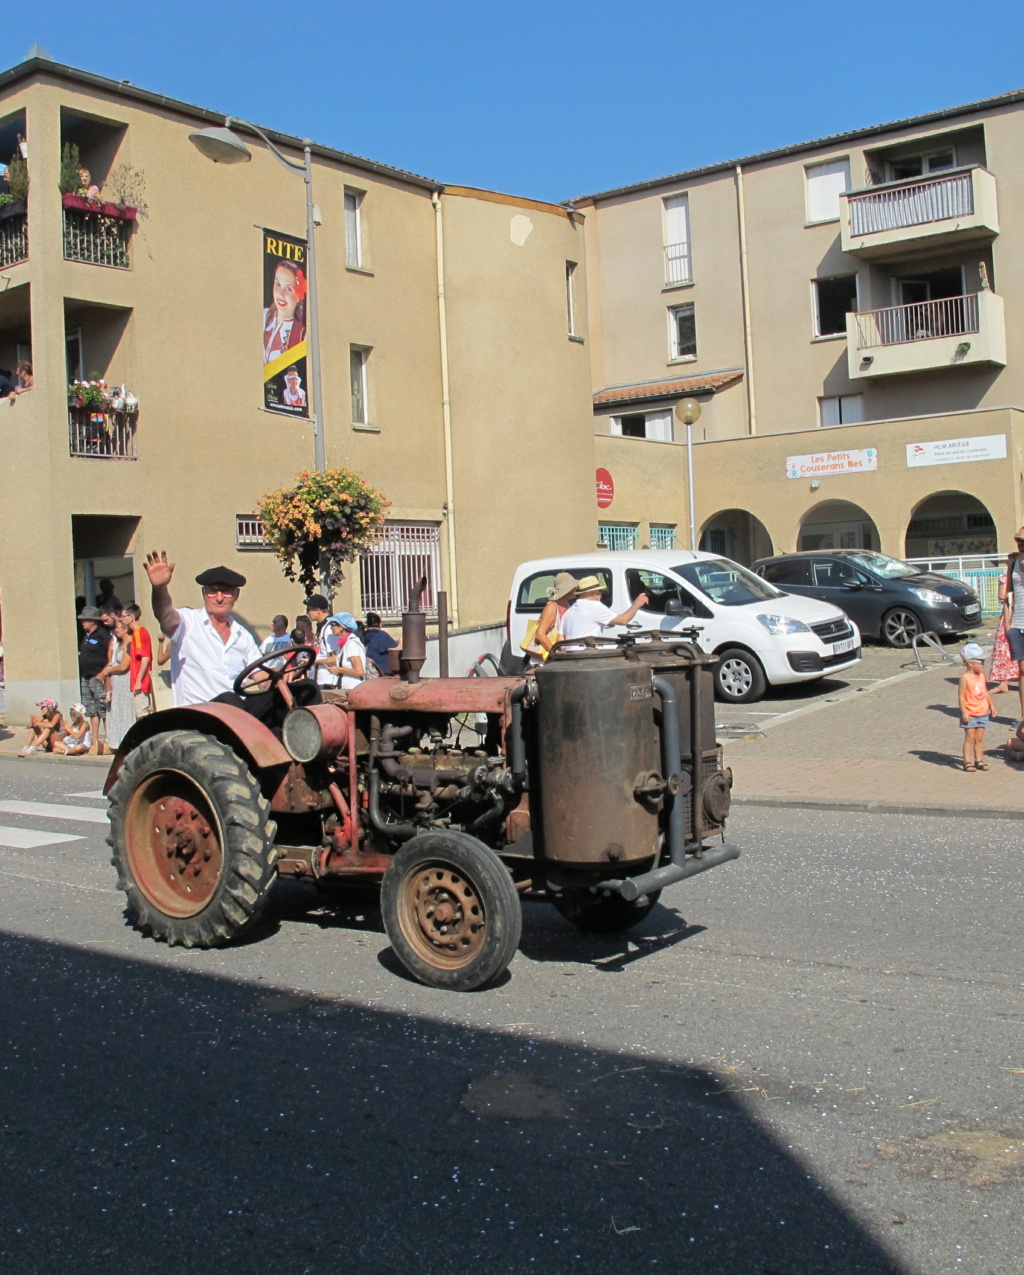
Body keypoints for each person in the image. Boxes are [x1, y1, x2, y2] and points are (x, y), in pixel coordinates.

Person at [144, 552, 262, 707]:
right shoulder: (188, 623)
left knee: (295, 692)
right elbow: (164, 615)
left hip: (237, 715)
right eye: (213, 591)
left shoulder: (243, 635)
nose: (219, 598)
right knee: (229, 699)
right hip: (200, 716)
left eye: (226, 591)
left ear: (236, 595)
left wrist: (282, 679)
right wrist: (160, 588)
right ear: (204, 593)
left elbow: (261, 675)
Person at [561, 575, 650, 644]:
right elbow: (623, 620)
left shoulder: (569, 612)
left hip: (570, 657)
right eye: (600, 592)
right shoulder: (594, 606)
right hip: (587, 656)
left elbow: (560, 638)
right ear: (594, 594)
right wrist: (637, 604)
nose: (601, 595)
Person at [524, 572, 578, 665]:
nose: (575, 589)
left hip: (559, 659)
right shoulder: (552, 607)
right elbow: (540, 634)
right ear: (567, 590)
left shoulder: (567, 606)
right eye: (573, 587)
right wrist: (555, 654)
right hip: (546, 661)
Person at [958, 641, 996, 772]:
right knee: (970, 738)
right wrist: (964, 712)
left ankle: (979, 760)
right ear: (970, 663)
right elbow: (961, 697)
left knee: (979, 738)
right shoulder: (965, 678)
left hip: (982, 712)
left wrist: (992, 705)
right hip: (970, 712)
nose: (983, 665)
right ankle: (967, 761)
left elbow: (986, 691)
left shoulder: (981, 676)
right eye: (980, 662)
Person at [77, 605, 109, 754]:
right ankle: (94, 740)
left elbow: (110, 656)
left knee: (103, 709)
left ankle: (109, 739)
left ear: (93, 621)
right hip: (86, 676)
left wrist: (102, 674)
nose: (82, 623)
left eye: (85, 620)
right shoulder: (87, 636)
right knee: (91, 710)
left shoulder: (103, 635)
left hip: (97, 676)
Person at [263, 259, 307, 364]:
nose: (280, 294)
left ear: (298, 296)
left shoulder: (302, 335)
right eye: (277, 284)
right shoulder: (263, 316)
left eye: (288, 289)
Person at [100, 617, 134, 749]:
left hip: (125, 681)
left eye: (118, 628)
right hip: (116, 683)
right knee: (116, 710)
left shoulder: (130, 643)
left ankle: (127, 741)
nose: (116, 630)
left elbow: (124, 666)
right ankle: (116, 742)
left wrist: (108, 671)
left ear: (125, 630)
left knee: (125, 710)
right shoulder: (118, 644)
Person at [1003, 528, 1024, 725]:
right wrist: (1008, 624)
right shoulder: (1013, 564)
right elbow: (1008, 596)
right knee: (1022, 671)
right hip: (1018, 623)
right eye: (1017, 540)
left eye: (1023, 540)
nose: (1020, 544)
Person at [122, 603, 154, 717]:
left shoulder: (139, 632)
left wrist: (138, 681)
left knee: (142, 714)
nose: (122, 619)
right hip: (138, 682)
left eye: (124, 616)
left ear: (132, 617)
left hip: (141, 683)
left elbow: (145, 658)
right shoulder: (136, 633)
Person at [990, 570, 1017, 695]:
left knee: (1006, 648)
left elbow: (1002, 597)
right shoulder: (1008, 577)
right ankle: (1004, 681)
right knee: (1005, 648)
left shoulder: (1011, 577)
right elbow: (1003, 598)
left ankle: (1005, 681)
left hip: (1013, 616)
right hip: (1011, 615)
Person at [323, 613, 366, 690]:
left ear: (341, 627)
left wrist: (339, 670)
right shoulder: (343, 644)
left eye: (333, 624)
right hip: (345, 688)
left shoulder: (351, 644)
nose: (331, 628)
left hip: (353, 688)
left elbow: (359, 671)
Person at [305, 593, 338, 688]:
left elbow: (335, 658)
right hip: (321, 678)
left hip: (327, 679)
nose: (307, 613)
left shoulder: (329, 629)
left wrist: (313, 661)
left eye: (309, 609)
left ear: (318, 610)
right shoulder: (323, 627)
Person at [363, 612, 397, 677]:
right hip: (382, 672)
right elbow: (394, 650)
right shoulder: (383, 635)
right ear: (380, 624)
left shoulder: (362, 636)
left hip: (366, 672)